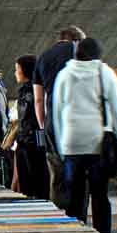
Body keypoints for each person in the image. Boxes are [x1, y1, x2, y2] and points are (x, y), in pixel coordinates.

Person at [51, 38, 117, 233]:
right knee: (100, 195)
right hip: (97, 143)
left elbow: (57, 112)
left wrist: (61, 146)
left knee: (74, 198)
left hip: (71, 142)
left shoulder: (64, 75)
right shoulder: (105, 73)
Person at [33, 26, 86, 206]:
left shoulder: (43, 58)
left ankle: (60, 222)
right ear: (77, 40)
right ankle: (79, 222)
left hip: (53, 126)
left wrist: (43, 125)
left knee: (57, 177)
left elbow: (38, 100)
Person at [13, 55, 49, 200]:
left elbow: (27, 120)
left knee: (30, 183)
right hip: (30, 142)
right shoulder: (35, 89)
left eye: (17, 69)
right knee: (36, 182)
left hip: (29, 143)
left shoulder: (29, 93)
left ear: (25, 71)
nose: (15, 73)